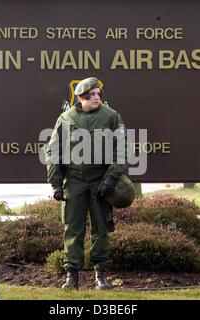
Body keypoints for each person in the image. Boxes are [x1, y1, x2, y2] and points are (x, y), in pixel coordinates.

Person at [46, 77, 128, 290]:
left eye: (98, 94)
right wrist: (56, 183)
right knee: (72, 229)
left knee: (101, 229)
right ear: (81, 97)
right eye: (91, 95)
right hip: (74, 181)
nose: (96, 98)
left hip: (101, 180)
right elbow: (54, 151)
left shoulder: (111, 117)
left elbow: (122, 147)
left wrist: (112, 176)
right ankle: (71, 276)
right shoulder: (66, 118)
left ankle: (101, 275)